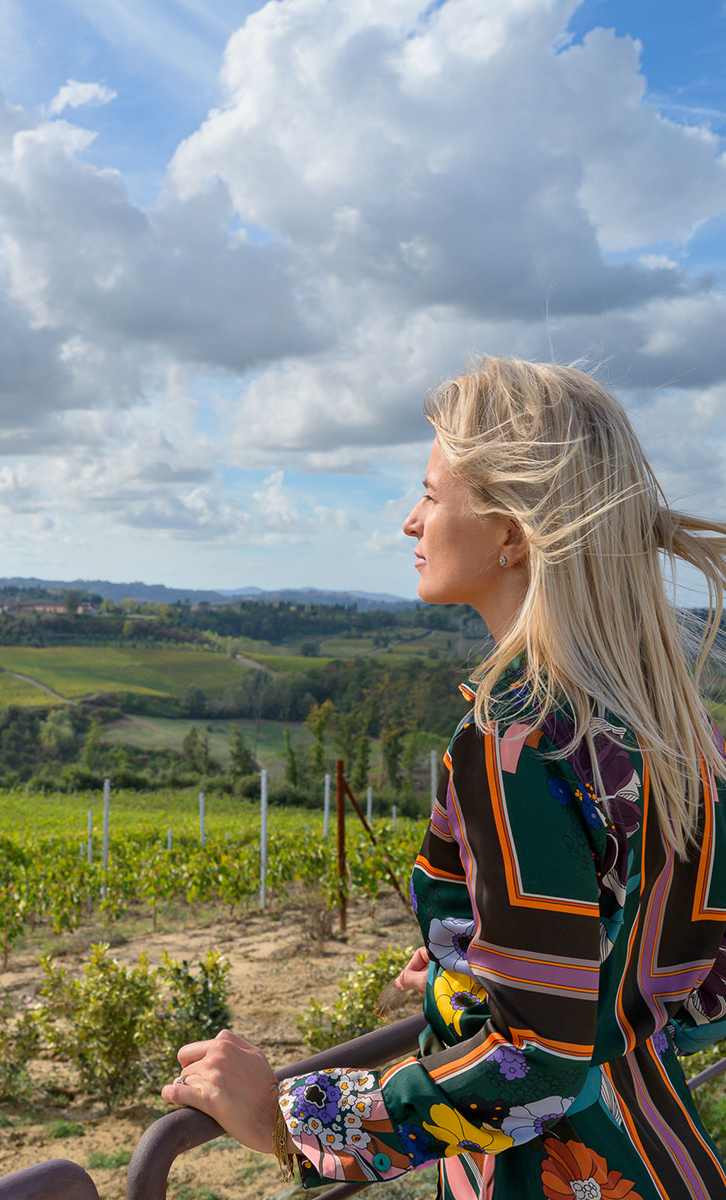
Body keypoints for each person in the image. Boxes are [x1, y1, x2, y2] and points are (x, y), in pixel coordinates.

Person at [161, 357, 726, 1198]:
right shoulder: (664, 724)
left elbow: (533, 1066)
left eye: (430, 493)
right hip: (667, 1158)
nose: (409, 521)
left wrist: (293, 1116)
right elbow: (682, 974)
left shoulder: (513, 740)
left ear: (511, 532)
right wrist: (479, 971)